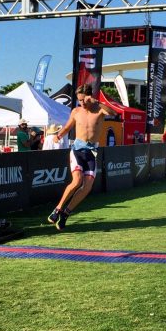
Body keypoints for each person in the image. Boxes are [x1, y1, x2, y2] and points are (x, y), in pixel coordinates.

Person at [47, 84, 117, 231]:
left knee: (87, 187)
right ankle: (58, 209)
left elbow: (114, 113)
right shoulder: (76, 111)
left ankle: (66, 214)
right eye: (79, 100)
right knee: (77, 180)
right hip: (77, 150)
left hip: (92, 153)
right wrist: (58, 136)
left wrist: (97, 102)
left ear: (90, 97)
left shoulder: (99, 109)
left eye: (84, 100)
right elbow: (67, 127)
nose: (82, 103)